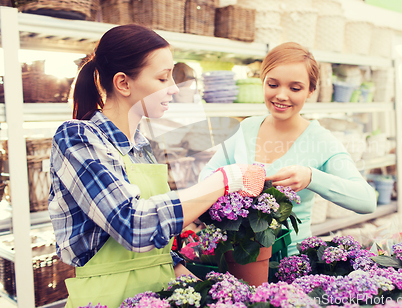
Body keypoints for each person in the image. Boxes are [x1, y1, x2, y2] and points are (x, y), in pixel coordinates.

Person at [49, 24, 265, 308]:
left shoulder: (142, 147)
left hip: (158, 294)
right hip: (107, 298)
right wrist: (222, 180)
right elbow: (133, 225)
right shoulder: (77, 138)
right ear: (123, 83)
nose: (174, 88)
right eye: (163, 78)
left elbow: (155, 249)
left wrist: (210, 293)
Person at [199, 42, 377, 255]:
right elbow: (206, 177)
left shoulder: (321, 140)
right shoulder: (246, 128)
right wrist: (232, 179)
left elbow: (366, 200)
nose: (281, 96)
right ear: (262, 83)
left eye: (295, 88)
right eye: (273, 85)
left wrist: (311, 177)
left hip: (290, 263)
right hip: (237, 257)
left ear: (311, 90)